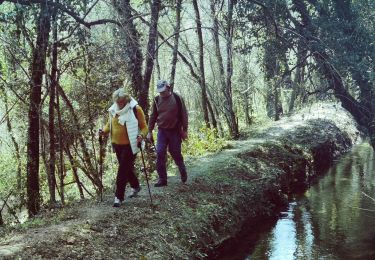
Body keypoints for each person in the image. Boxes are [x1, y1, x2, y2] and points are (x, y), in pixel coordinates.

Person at [100, 88, 148, 207]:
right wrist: (103, 131)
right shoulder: (113, 110)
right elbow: (109, 125)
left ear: (126, 99)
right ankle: (136, 186)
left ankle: (118, 197)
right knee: (126, 168)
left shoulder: (135, 109)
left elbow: (144, 127)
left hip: (130, 145)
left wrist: (141, 135)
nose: (119, 103)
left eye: (121, 101)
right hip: (117, 145)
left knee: (122, 170)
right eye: (117, 101)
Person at [147, 80, 188, 187]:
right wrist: (149, 131)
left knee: (175, 152)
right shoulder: (156, 100)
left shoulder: (177, 98)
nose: (162, 94)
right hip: (162, 130)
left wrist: (185, 130)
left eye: (163, 91)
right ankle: (162, 179)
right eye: (160, 92)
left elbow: (184, 114)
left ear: (168, 88)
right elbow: (153, 116)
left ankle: (182, 167)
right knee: (160, 153)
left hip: (175, 130)